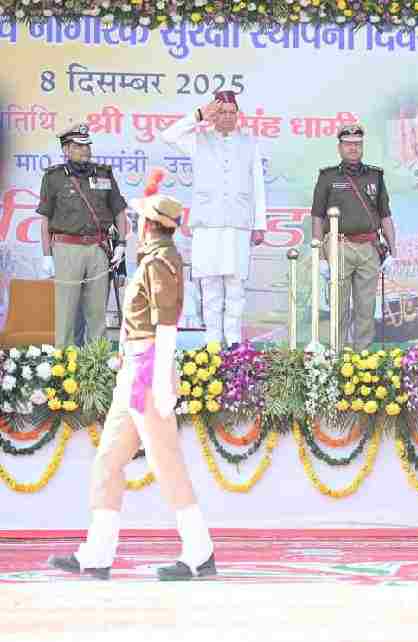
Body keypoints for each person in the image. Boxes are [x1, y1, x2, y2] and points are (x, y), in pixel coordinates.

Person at [47, 178, 215, 581]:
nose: (136, 226)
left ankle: (199, 551)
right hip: (135, 369)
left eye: (140, 221)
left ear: (150, 226)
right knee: (108, 460)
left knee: (165, 461)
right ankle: (97, 553)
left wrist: (162, 383)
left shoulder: (161, 263)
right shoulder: (154, 259)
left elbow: (167, 324)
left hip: (149, 369)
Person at [160, 91, 266, 347]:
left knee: (235, 285)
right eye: (221, 112)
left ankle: (234, 341)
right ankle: (213, 342)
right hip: (207, 224)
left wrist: (259, 224)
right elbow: (168, 135)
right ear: (213, 115)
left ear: (238, 114)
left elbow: (257, 184)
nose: (227, 117)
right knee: (210, 285)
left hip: (238, 224)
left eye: (232, 112)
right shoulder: (198, 140)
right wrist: (198, 115)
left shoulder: (249, 143)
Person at [37, 123, 127, 347]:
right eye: (79, 146)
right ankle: (64, 363)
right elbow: (45, 219)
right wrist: (46, 255)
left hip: (99, 249)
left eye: (87, 145)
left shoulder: (104, 174)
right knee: (66, 313)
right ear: (66, 149)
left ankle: (97, 364)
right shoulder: (54, 177)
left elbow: (119, 212)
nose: (85, 150)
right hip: (67, 249)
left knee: (97, 315)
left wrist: (122, 244)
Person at [311, 123, 397, 352]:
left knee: (366, 307)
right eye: (348, 144)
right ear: (339, 147)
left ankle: (363, 357)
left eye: (357, 144)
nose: (353, 148)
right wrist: (320, 256)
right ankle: (336, 354)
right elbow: (317, 217)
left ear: (362, 146)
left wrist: (393, 252)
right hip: (339, 246)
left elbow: (385, 216)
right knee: (338, 306)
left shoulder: (375, 176)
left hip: (369, 247)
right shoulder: (328, 177)